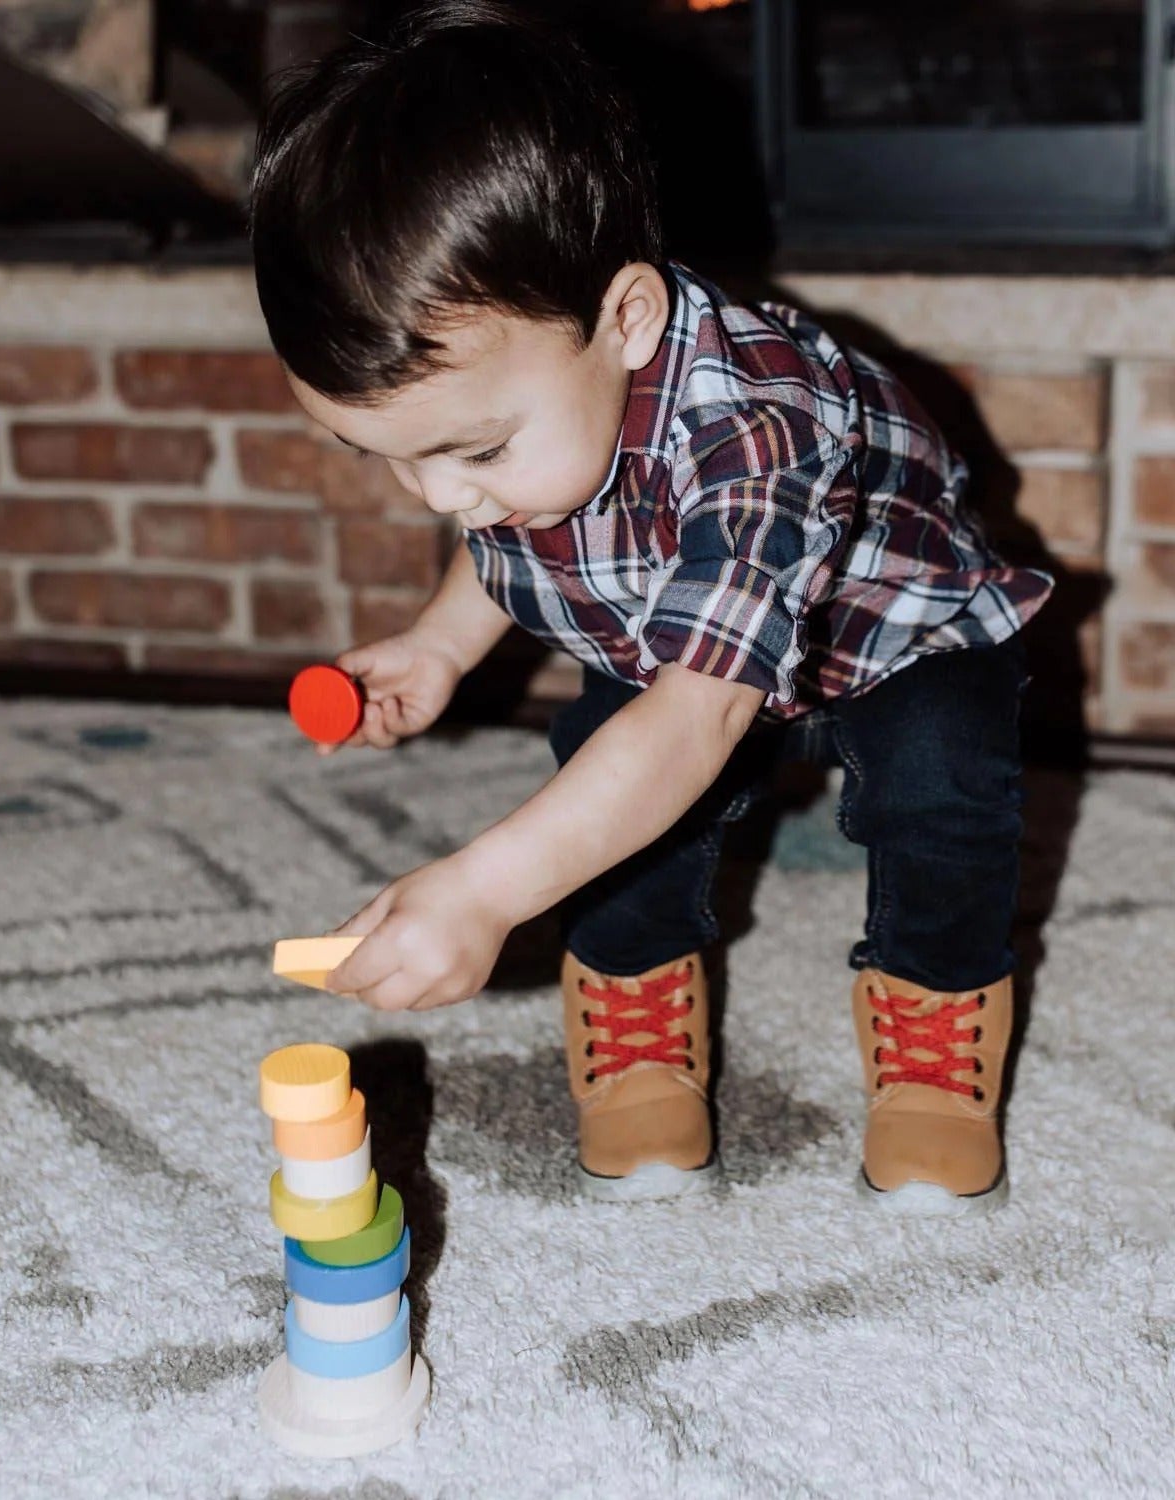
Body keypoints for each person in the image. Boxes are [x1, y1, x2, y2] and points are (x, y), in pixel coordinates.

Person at [250, 0, 1052, 1215]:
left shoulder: (761, 430)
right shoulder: (537, 410)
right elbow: (510, 533)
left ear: (627, 319)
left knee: (944, 783)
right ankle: (634, 1022)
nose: (442, 498)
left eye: (472, 450)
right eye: (396, 462)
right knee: (611, 792)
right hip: (669, 617)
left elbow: (691, 723)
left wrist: (484, 891)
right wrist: (442, 642)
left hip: (888, 626)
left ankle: (936, 1048)